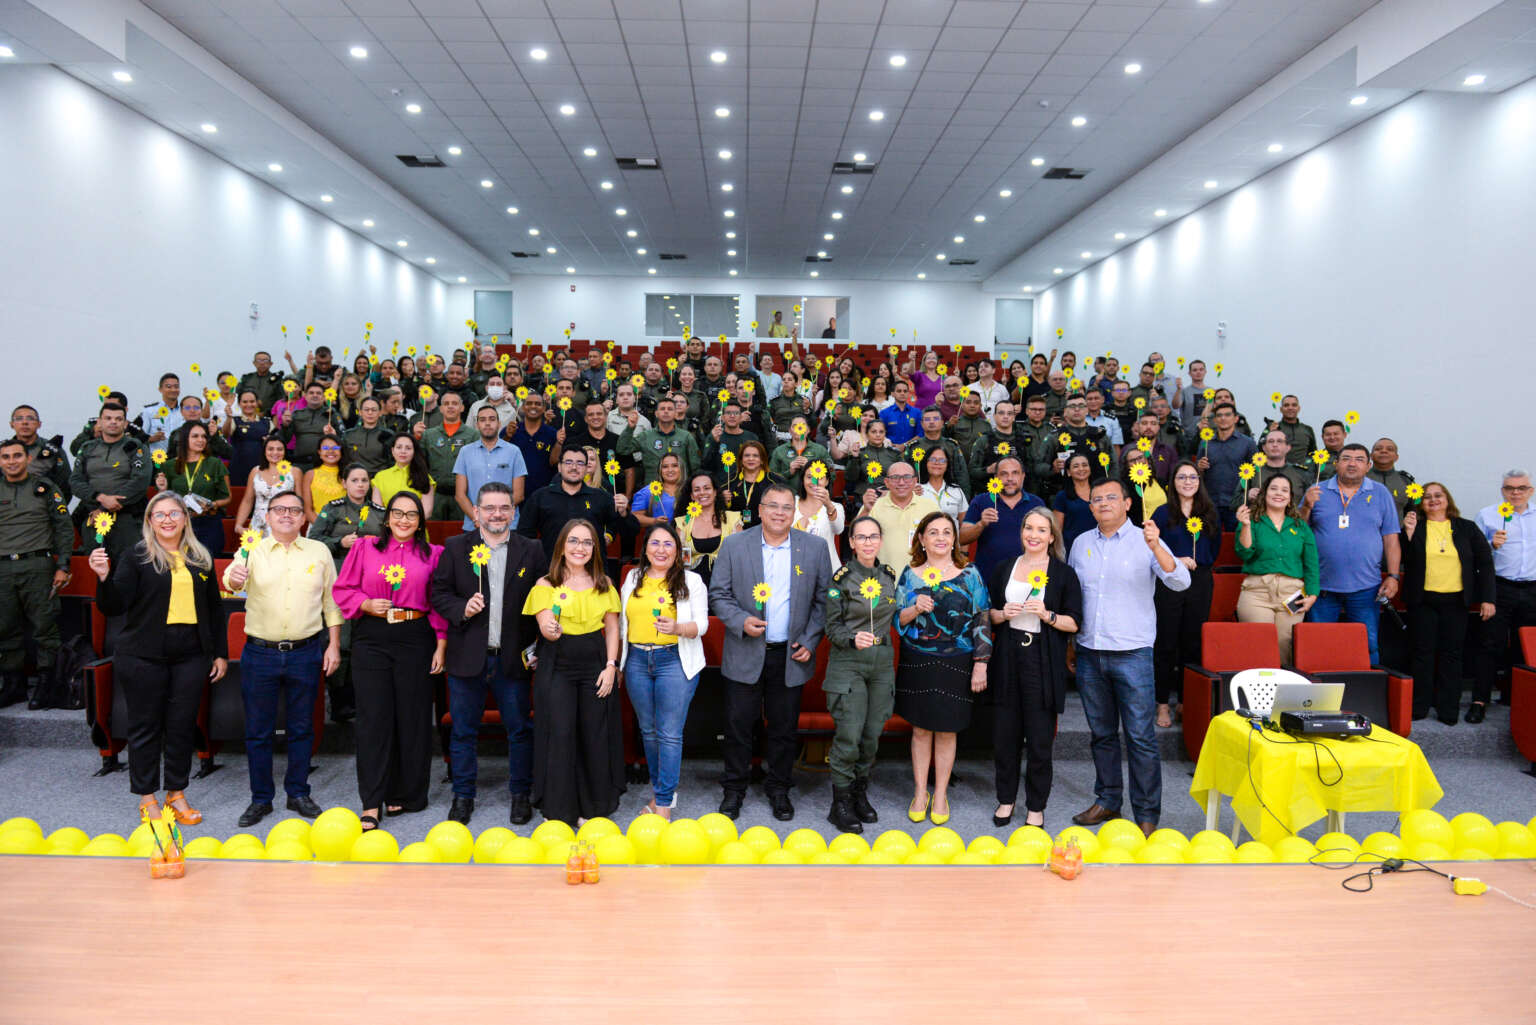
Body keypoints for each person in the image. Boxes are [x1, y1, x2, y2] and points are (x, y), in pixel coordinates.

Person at [88, 491, 227, 825]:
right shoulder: (136, 556)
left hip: (191, 655)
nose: (167, 520)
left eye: (174, 513)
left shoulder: (200, 557)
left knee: (181, 727)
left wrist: (219, 653)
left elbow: (213, 609)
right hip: (142, 656)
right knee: (145, 728)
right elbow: (114, 606)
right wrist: (104, 578)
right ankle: (147, 798)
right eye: (159, 514)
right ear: (150, 521)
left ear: (185, 518)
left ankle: (176, 793)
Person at [1068, 478, 1191, 834]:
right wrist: (1072, 644)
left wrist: (1156, 547)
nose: (1103, 503)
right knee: (1101, 734)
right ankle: (1107, 800)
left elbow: (1180, 582)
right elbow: (1076, 600)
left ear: (1126, 503)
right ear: (1090, 507)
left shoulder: (1145, 539)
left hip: (1133, 653)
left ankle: (1147, 813)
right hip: (1091, 652)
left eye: (1111, 497)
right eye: (1096, 499)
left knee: (1140, 737)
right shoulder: (1080, 544)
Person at [708, 483, 832, 821]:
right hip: (745, 650)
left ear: (795, 512)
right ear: (760, 510)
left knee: (783, 729)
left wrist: (810, 640)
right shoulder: (734, 545)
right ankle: (734, 789)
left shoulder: (815, 547)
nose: (779, 513)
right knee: (738, 728)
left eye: (786, 507)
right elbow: (718, 594)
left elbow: (824, 601)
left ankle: (779, 788)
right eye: (772, 506)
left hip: (791, 655)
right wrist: (739, 620)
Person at [221, 489, 342, 827]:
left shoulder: (319, 551)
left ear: (304, 517)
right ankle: (261, 799)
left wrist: (333, 645)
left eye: (294, 510)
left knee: (302, 727)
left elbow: (332, 603)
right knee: (258, 730)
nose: (287, 515)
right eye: (279, 510)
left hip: (306, 651)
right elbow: (229, 581)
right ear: (268, 516)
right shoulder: (252, 548)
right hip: (260, 652)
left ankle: (298, 792)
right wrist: (234, 578)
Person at [429, 482, 546, 825]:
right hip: (468, 657)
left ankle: (520, 794)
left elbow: (544, 600)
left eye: (504, 508)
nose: (497, 514)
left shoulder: (532, 549)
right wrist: (462, 609)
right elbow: (439, 594)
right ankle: (463, 796)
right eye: (490, 508)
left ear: (514, 512)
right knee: (464, 731)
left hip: (513, 657)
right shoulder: (454, 547)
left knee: (519, 730)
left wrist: (538, 645)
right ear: (476, 513)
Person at [332, 490, 448, 830]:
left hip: (415, 638)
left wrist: (441, 645)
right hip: (373, 638)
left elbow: (438, 602)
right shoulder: (364, 548)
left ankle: (406, 791)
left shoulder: (433, 554)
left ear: (420, 521)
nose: (403, 520)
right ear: (387, 517)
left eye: (412, 515)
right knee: (374, 718)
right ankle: (372, 800)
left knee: (411, 717)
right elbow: (343, 589)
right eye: (398, 513)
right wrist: (365, 604)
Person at [522, 519, 624, 826]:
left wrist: (611, 666)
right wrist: (550, 629)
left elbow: (612, 628)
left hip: (595, 663)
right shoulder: (545, 585)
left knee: (593, 732)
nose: (580, 548)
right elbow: (545, 629)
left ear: (595, 549)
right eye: (574, 541)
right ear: (562, 546)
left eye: (587, 542)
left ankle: (592, 806)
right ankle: (559, 807)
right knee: (561, 731)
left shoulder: (604, 582)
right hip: (557, 663)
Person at [986, 507, 1082, 828]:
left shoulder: (1064, 574)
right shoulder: (1004, 568)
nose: (1034, 535)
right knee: (1005, 736)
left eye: (1042, 530)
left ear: (1051, 537)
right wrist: (1003, 614)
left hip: (1043, 659)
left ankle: (1036, 805)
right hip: (1007, 656)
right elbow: (989, 615)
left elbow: (1074, 623)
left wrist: (1048, 615)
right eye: (1029, 528)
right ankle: (1006, 799)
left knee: (1040, 740)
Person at [895, 511, 991, 825]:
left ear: (954, 539)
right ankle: (920, 791)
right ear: (921, 538)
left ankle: (940, 794)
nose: (940, 538)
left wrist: (981, 664)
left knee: (948, 731)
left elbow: (983, 620)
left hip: (958, 661)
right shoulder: (909, 574)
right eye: (933, 532)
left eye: (946, 532)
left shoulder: (970, 574)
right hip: (918, 659)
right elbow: (895, 621)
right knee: (921, 730)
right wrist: (914, 608)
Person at [619, 523, 710, 819]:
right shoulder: (633, 578)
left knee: (669, 734)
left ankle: (663, 804)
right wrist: (619, 663)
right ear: (645, 548)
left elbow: (702, 626)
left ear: (677, 550)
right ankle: (662, 793)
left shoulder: (692, 581)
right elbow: (622, 625)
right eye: (655, 543)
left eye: (668, 544)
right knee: (649, 731)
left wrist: (678, 628)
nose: (661, 549)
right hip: (636, 660)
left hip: (674, 660)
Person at [821, 516, 899, 832]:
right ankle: (839, 803)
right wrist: (852, 638)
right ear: (851, 542)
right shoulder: (840, 579)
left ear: (880, 540)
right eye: (861, 537)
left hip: (881, 662)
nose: (868, 542)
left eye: (873, 536)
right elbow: (831, 627)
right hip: (848, 661)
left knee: (871, 736)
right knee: (850, 735)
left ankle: (858, 793)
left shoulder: (889, 576)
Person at [1401, 483, 1495, 724]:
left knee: (1451, 656)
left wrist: (1488, 598)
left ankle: (1448, 710)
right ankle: (1419, 707)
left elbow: (1484, 564)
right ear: (1421, 503)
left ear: (1447, 499)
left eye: (1438, 495)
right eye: (1427, 497)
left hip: (1456, 602)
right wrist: (1409, 536)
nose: (1433, 500)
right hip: (1423, 601)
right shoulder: (1416, 526)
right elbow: (1406, 561)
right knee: (1422, 654)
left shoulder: (1467, 528)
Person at [1299, 442, 1400, 666]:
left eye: (1359, 459)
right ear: (1336, 464)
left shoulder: (1380, 493)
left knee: (1368, 645)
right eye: (1346, 458)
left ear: (1368, 466)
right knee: (1319, 645)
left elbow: (1391, 538)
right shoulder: (1316, 490)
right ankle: (1319, 696)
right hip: (1321, 586)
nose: (1352, 463)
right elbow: (1297, 531)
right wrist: (1306, 506)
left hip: (1366, 587)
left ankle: (1367, 694)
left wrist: (1393, 576)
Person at [0, 439, 73, 709]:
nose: (11, 461)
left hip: (38, 567)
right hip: (2, 568)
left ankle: (47, 685)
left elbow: (64, 527)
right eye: (5, 456)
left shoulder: (45, 488)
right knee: (5, 628)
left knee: (45, 628)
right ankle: (13, 685)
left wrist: (63, 565)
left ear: (28, 459)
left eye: (17, 455)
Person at [1150, 460, 1222, 727]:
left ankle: (1184, 701)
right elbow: (1152, 548)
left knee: (1192, 644)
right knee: (1166, 643)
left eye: (1193, 477)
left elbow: (1214, 549)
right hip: (1168, 581)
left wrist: (1197, 563)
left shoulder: (1209, 512)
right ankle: (1162, 705)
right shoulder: (1161, 513)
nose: (1188, 482)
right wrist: (1176, 560)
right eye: (1182, 477)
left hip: (1199, 581)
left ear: (1199, 482)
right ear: (1174, 482)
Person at [1234, 474, 1318, 665]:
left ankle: (1282, 692)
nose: (1278, 493)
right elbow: (1245, 553)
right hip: (1257, 592)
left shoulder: (1300, 526)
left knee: (1286, 644)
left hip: (1292, 593)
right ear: (1264, 494)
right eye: (1273, 488)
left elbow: (1311, 564)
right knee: (1260, 643)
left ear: (1290, 498)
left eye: (1284, 490)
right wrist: (1245, 526)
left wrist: (1312, 595)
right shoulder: (1252, 521)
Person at [1473, 471, 1536, 724]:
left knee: (1526, 648)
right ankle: (1480, 701)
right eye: (1509, 488)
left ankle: (1518, 700)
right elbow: (1474, 555)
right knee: (1490, 645)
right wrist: (1491, 545)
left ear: (1531, 490)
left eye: (1522, 488)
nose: (1515, 492)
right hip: (1499, 588)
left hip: (1533, 589)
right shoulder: (1488, 515)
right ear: (1502, 491)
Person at [71, 403, 152, 559]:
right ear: (100, 422)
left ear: (125, 423)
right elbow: (75, 481)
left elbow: (140, 481)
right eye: (108, 418)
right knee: (96, 574)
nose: (113, 422)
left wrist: (104, 509)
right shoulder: (87, 448)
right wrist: (100, 498)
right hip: (93, 519)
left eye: (118, 419)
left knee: (128, 572)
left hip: (127, 521)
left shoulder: (135, 447)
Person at [518, 448, 626, 561]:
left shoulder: (602, 497)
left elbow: (625, 528)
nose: (574, 467)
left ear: (585, 468)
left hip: (592, 571)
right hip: (551, 569)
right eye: (568, 462)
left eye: (580, 463)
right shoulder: (540, 497)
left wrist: (623, 514)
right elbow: (525, 534)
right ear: (559, 467)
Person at [960, 456, 1045, 584]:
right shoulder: (981, 501)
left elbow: (1047, 541)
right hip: (989, 579)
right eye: (1004, 474)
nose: (1010, 478)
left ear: (1023, 476)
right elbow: (962, 538)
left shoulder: (1036, 503)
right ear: (995, 478)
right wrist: (981, 524)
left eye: (1015, 473)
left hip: (1027, 580)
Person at [154, 421, 231, 556]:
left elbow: (227, 497)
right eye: (195, 436)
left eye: (204, 436)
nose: (200, 440)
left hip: (208, 523)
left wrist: (212, 504)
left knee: (208, 567)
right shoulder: (169, 465)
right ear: (184, 439)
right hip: (179, 525)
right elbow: (164, 500)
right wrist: (162, 490)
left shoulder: (215, 463)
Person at [453, 404, 526, 529]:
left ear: (499, 423)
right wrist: (477, 519)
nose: (487, 423)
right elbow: (460, 495)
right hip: (474, 524)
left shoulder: (514, 451)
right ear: (477, 425)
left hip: (506, 525)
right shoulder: (465, 452)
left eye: (492, 419)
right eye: (482, 420)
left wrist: (497, 517)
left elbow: (518, 495)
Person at [862, 461, 939, 573]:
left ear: (915, 481)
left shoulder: (930, 507)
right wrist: (865, 510)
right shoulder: (873, 505)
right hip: (882, 580)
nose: (901, 482)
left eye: (907, 477)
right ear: (886, 482)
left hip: (922, 580)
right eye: (895, 477)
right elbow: (856, 538)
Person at [677, 471, 741, 584]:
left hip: (726, 586)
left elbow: (740, 557)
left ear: (715, 492)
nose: (702, 493)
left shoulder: (733, 519)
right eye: (697, 490)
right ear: (692, 495)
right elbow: (677, 559)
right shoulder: (683, 522)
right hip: (691, 586)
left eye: (707, 488)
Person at [234, 437, 298, 535]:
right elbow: (247, 500)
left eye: (279, 449)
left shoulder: (294, 472)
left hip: (285, 526)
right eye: (270, 449)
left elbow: (300, 503)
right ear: (264, 451)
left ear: (285, 452)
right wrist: (238, 525)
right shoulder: (255, 471)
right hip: (258, 528)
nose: (275, 452)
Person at [791, 460, 844, 569]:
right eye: (809, 477)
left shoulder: (835, 507)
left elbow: (839, 529)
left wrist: (828, 505)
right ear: (803, 480)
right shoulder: (791, 503)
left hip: (826, 568)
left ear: (827, 481)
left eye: (819, 477)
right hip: (796, 568)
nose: (814, 481)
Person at [10, 405, 71, 499]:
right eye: (19, 418)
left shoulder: (52, 449)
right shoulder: (3, 451)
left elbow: (65, 484)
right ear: (11, 424)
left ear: (39, 424)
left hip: (43, 508)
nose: (25, 422)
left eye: (30, 418)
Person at [508, 392, 559, 497]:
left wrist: (559, 442)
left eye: (537, 404)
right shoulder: (510, 430)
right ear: (522, 407)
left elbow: (555, 462)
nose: (533, 406)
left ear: (544, 408)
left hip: (545, 494)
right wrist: (507, 436)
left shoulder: (553, 434)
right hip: (514, 494)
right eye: (529, 403)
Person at [371, 433, 436, 511]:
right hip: (387, 522)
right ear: (392, 450)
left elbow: (426, 511)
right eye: (399, 447)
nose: (403, 451)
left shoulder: (424, 477)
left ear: (414, 451)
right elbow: (377, 510)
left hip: (415, 522)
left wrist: (409, 521)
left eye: (408, 448)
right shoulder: (380, 477)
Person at [1052, 452, 1097, 553]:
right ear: (1068, 472)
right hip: (1073, 549)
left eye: (1084, 465)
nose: (1081, 469)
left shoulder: (1100, 493)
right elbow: (1057, 530)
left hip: (1099, 547)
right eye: (1076, 466)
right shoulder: (1062, 496)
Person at [226, 391, 273, 485]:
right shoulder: (235, 420)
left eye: (252, 401)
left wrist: (269, 441)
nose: (249, 404)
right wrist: (228, 418)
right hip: (239, 467)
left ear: (257, 403)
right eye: (245, 402)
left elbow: (276, 442)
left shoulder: (267, 422)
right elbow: (226, 433)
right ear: (239, 404)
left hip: (262, 467)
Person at [633, 453, 686, 530]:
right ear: (660, 470)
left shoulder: (691, 489)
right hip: (658, 539)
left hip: (687, 540)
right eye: (665, 467)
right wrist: (654, 521)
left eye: (675, 465)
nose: (670, 470)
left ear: (681, 468)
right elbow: (634, 518)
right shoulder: (648, 491)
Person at [300, 436, 346, 525]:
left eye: (335, 447)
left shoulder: (348, 474)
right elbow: (307, 509)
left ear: (341, 452)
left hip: (344, 525)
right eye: (325, 448)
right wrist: (322, 527)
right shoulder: (310, 474)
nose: (331, 451)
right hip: (317, 525)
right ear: (319, 452)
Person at [343, 396, 395, 473]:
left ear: (380, 413)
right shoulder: (349, 435)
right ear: (360, 412)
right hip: (355, 477)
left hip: (380, 479)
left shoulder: (388, 435)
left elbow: (393, 461)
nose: (370, 413)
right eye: (366, 410)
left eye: (374, 410)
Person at [1367, 437, 1417, 513]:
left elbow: (1414, 510)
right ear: (1371, 456)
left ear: (1396, 457)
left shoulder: (1406, 481)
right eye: (1378, 449)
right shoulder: (1361, 478)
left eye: (1390, 449)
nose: (1383, 451)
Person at [919, 447, 968, 521]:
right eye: (932, 459)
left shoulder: (956, 490)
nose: (937, 463)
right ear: (926, 463)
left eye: (942, 460)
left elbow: (965, 525)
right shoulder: (917, 490)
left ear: (947, 465)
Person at [1267, 395, 1316, 467]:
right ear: (1281, 409)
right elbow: (1260, 452)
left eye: (1294, 405)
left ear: (1298, 408)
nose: (1290, 408)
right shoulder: (1273, 428)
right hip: (1278, 474)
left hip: (1303, 474)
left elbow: (1313, 454)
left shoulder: (1307, 429)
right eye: (1286, 405)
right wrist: (1270, 434)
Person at [879, 379, 921, 446]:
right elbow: (879, 433)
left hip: (913, 451)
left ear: (908, 393)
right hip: (890, 450)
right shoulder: (884, 413)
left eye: (905, 391)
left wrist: (905, 445)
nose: (902, 393)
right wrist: (893, 446)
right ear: (892, 394)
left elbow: (920, 434)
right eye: (899, 391)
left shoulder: (917, 412)